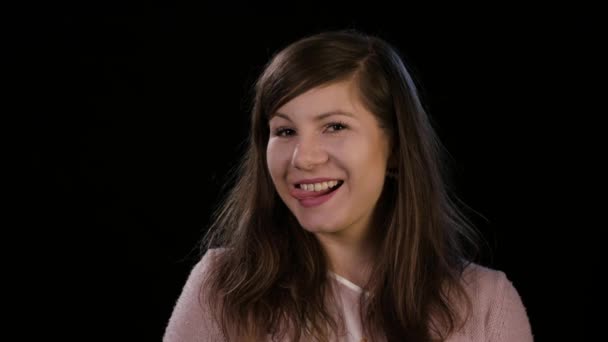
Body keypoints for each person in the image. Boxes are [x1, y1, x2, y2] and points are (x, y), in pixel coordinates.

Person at [163, 30, 533, 342]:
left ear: (396, 149)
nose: (302, 158)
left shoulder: (486, 304)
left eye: (334, 126)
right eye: (285, 131)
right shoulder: (222, 288)